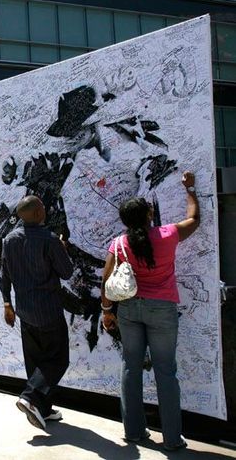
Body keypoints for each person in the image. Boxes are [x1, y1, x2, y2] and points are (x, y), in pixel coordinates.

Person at [101, 172, 199, 452]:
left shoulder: (118, 244)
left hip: (129, 309)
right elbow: (194, 220)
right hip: (162, 310)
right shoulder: (167, 234)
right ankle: (171, 439)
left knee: (131, 368)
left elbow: (106, 280)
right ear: (149, 213)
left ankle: (133, 433)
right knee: (165, 372)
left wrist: (107, 311)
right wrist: (190, 189)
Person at [0, 195, 74, 430]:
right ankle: (31, 397)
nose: (45, 209)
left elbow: (4, 276)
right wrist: (62, 248)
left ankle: (44, 409)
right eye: (42, 207)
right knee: (58, 360)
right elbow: (67, 273)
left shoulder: (9, 240)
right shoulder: (50, 240)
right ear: (39, 213)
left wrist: (7, 304)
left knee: (35, 361)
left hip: (25, 310)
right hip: (48, 310)